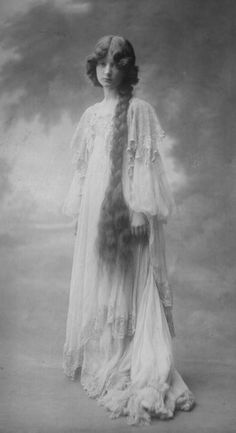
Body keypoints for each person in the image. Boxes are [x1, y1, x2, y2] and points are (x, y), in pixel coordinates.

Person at [62, 35, 195, 425]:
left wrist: (140, 210)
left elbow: (144, 166)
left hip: (128, 207)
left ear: (127, 69)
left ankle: (132, 359)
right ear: (94, 68)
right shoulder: (90, 116)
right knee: (101, 278)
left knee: (130, 281)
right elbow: (85, 171)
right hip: (95, 211)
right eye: (102, 63)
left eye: (116, 63)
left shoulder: (139, 110)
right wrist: (81, 215)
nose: (108, 70)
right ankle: (104, 358)